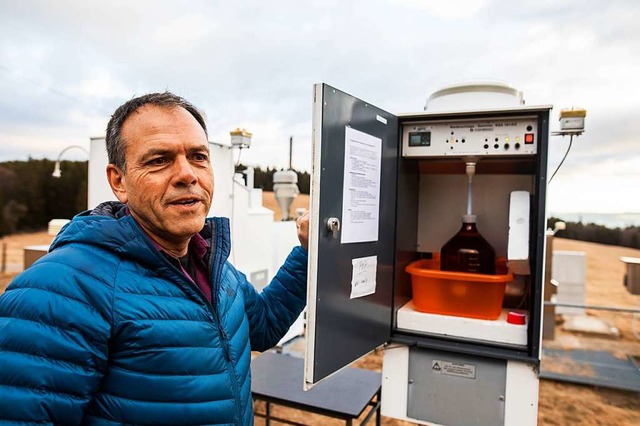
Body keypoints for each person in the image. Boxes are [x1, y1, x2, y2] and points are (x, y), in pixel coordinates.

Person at [0, 92, 309, 425]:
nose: (186, 174)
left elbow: (263, 326)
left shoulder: (213, 266)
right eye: (159, 159)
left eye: (198, 156)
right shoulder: (60, 290)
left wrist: (307, 253)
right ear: (119, 181)